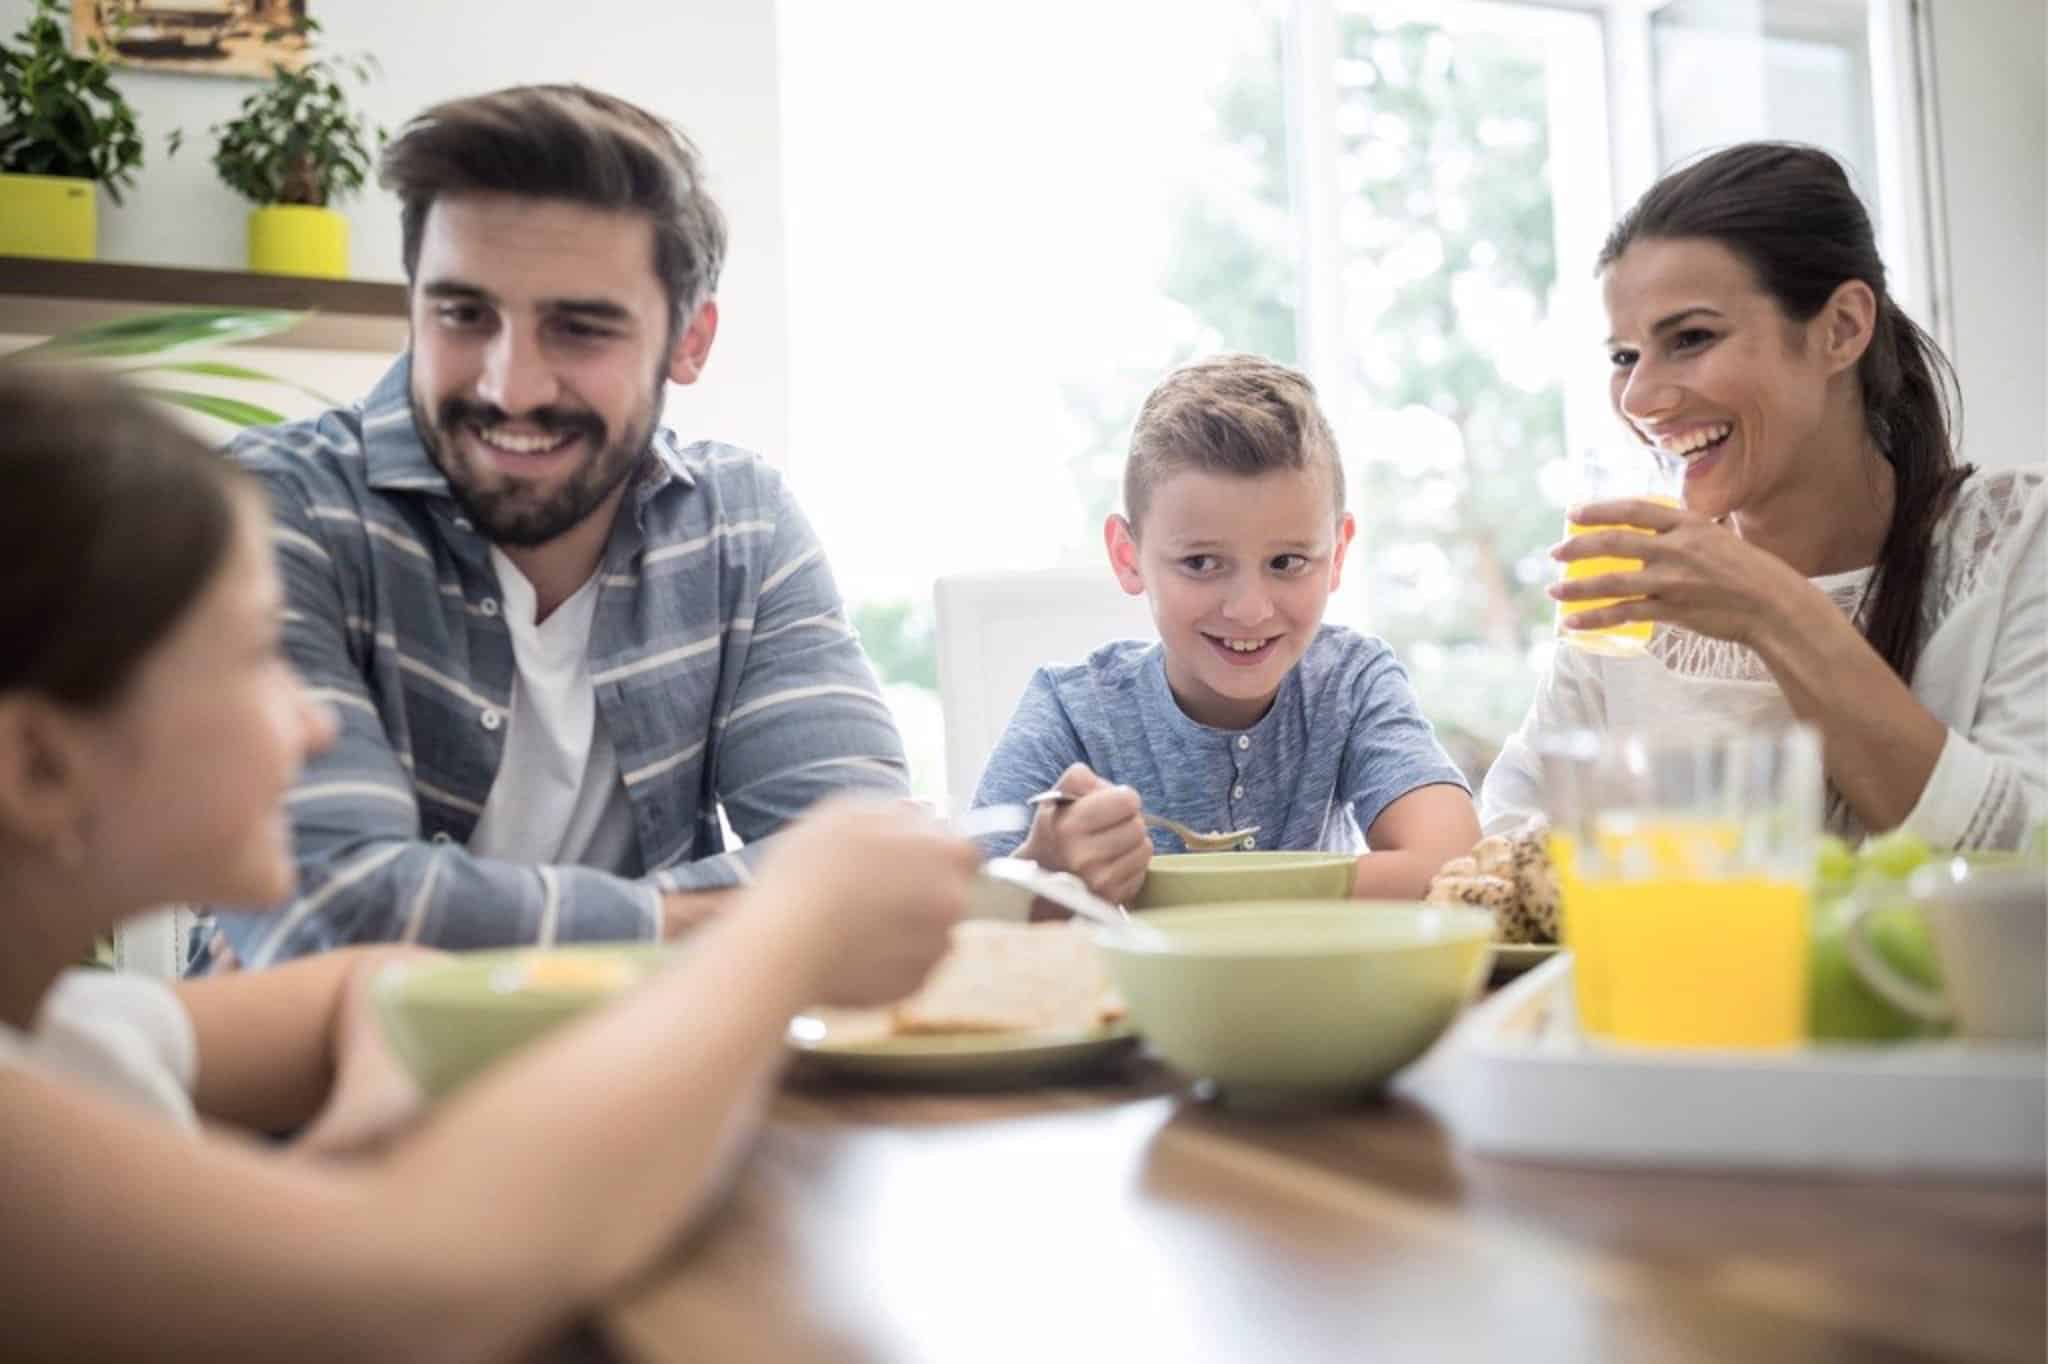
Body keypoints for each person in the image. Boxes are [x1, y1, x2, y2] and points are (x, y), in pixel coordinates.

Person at [0, 370, 975, 1361]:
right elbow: (427, 1288)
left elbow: (371, 975)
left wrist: (379, 1104)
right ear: (40, 765)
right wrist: (785, 927)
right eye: (258, 658)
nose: (313, 720)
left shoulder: (70, 1032)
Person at [200, 84, 908, 970]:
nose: (513, 386)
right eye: (463, 315)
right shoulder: (269, 510)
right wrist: (721, 922)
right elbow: (326, 915)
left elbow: (862, 861)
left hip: (663, 1078)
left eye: (580, 329)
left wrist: (438, 918)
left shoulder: (742, 527)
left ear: (690, 342)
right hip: (313, 1101)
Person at [1481, 142, 2045, 848]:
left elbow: (2026, 864)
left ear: (1842, 328)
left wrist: (1773, 610)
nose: (1641, 397)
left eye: (1690, 337)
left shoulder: (2014, 544)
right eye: (1625, 356)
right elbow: (1507, 837)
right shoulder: (1635, 596)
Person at [971, 354, 1479, 906]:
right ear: (1128, 556)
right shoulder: (1071, 710)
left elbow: (1453, 867)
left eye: (1286, 562)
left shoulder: (1350, 682)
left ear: (1337, 554)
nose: (1249, 610)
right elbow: (963, 921)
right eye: (1201, 563)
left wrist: (1179, 895)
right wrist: (1043, 874)